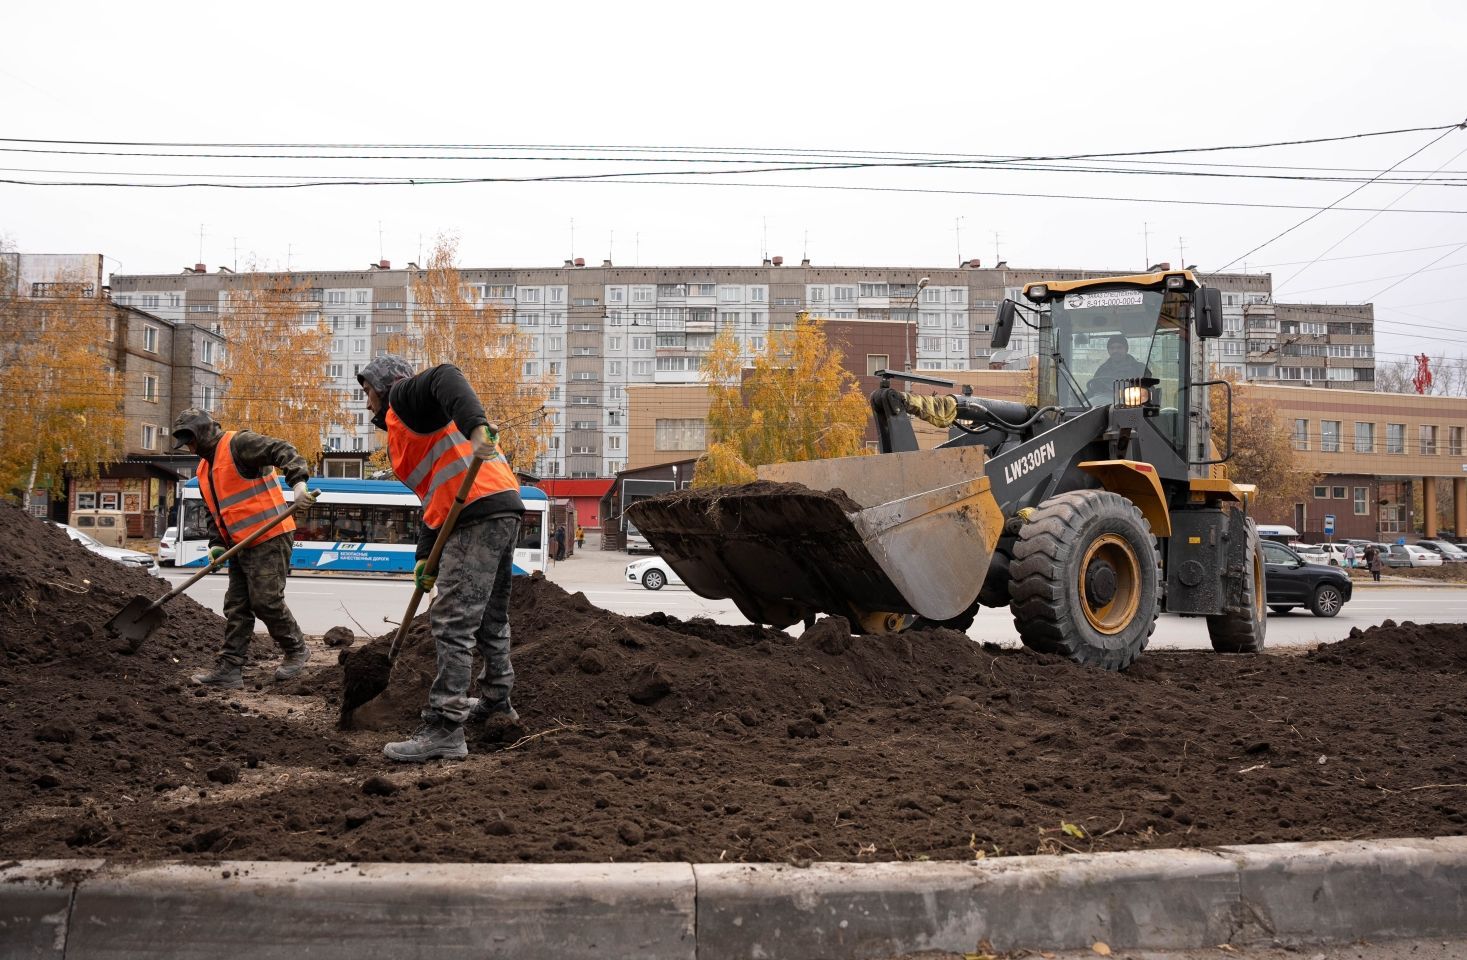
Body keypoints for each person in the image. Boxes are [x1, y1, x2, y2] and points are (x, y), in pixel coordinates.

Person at [357, 355, 524, 763]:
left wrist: (477, 427)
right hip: (499, 506)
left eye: (367, 392)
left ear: (383, 385)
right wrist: (423, 557)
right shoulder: (411, 425)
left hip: (477, 512)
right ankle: (497, 703)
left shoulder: (405, 398)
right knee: (490, 618)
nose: (367, 404)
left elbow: (447, 373)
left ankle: (445, 727)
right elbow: (436, 494)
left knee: (452, 622)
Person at [171, 409, 319, 689]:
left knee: (265, 600)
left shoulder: (239, 444)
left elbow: (282, 449)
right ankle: (230, 668)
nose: (190, 448)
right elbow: (215, 512)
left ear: (202, 433)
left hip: (270, 535)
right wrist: (216, 545)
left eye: (191, 440)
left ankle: (296, 649)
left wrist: (298, 483)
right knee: (237, 605)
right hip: (239, 544)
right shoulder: (204, 469)